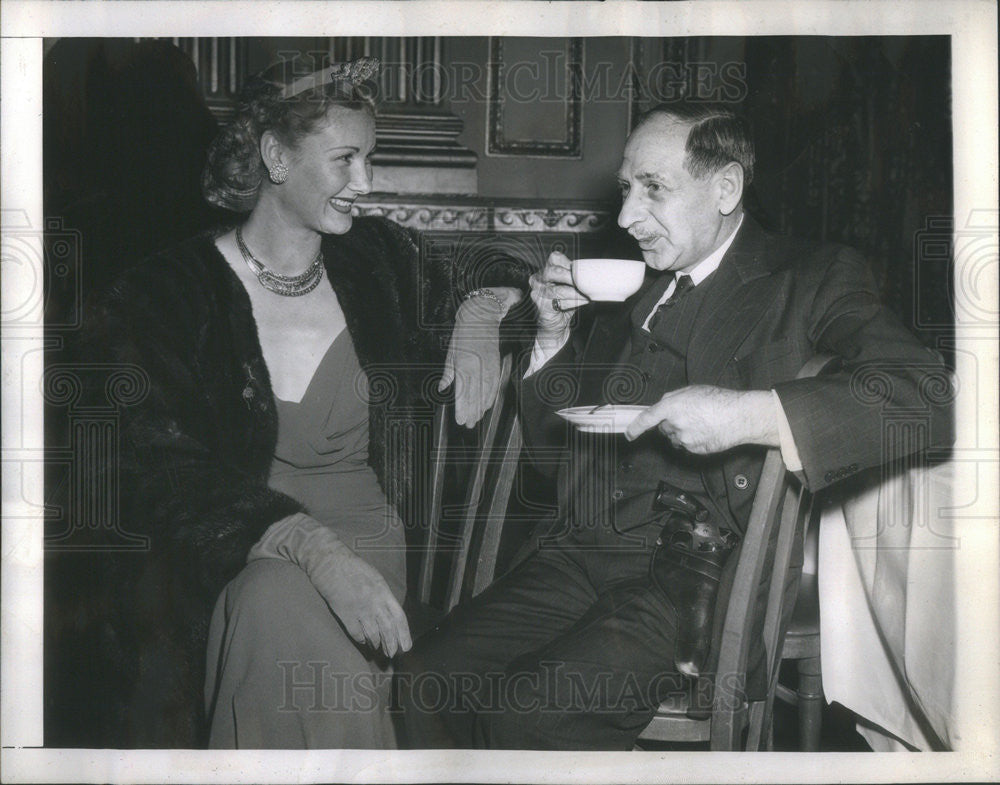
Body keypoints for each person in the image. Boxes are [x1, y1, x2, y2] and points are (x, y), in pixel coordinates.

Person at [396, 101, 953, 750]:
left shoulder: (808, 277)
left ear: (725, 188)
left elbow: (929, 397)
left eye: (653, 189)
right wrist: (550, 340)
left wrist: (753, 413)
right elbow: (555, 458)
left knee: (532, 712)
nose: (628, 215)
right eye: (627, 189)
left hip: (699, 573)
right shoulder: (627, 287)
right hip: (582, 546)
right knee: (423, 679)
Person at [52, 56, 526, 749]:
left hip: (369, 552)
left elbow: (508, 274)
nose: (365, 183)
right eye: (345, 159)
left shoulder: (381, 262)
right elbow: (154, 466)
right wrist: (308, 546)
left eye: (370, 158)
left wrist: (484, 307)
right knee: (269, 596)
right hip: (233, 555)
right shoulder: (167, 293)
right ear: (276, 156)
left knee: (274, 605)